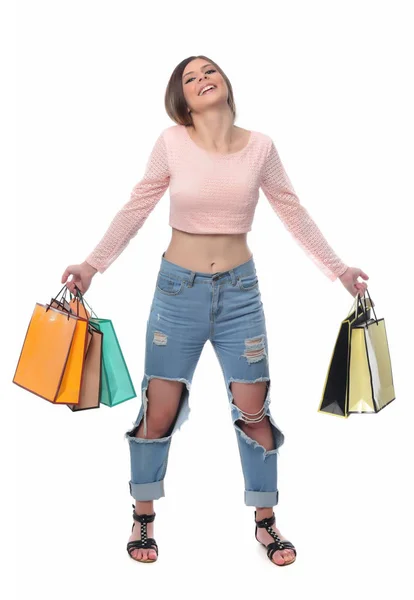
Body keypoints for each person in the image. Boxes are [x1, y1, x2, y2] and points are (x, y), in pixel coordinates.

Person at [61, 55, 369, 567]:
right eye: (190, 77)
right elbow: (138, 205)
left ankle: (266, 523)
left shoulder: (260, 148)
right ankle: (144, 516)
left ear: (226, 84)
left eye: (210, 72)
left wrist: (338, 270)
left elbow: (292, 210)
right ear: (181, 99)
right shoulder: (171, 143)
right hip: (176, 295)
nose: (203, 79)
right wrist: (94, 265)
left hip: (240, 297)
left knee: (254, 412)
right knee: (158, 410)